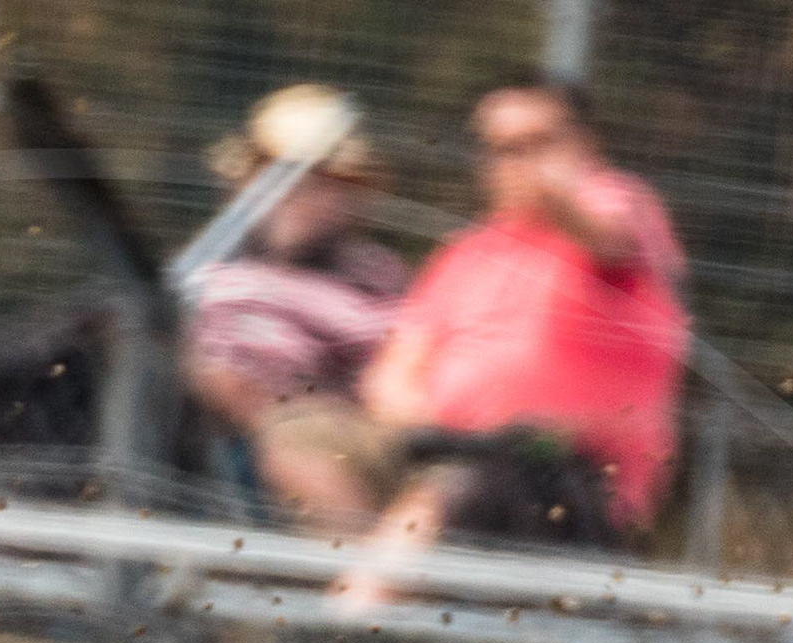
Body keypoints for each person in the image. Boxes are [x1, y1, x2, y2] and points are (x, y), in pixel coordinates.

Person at [336, 80, 689, 599]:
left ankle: (356, 626)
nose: (515, 163)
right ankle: (338, 605)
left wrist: (553, 188)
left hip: (574, 470)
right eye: (500, 148)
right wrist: (424, 425)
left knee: (466, 485)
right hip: (446, 450)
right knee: (309, 439)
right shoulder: (466, 253)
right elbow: (394, 371)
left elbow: (607, 234)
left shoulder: (622, 205)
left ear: (584, 145)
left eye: (536, 142)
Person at [181, 86, 413, 538]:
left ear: (353, 195)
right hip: (189, 435)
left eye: (319, 184)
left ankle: (357, 593)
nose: (294, 198)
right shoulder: (202, 268)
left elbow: (394, 386)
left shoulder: (375, 278)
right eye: (275, 179)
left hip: (307, 437)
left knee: (302, 445)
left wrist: (270, 404)